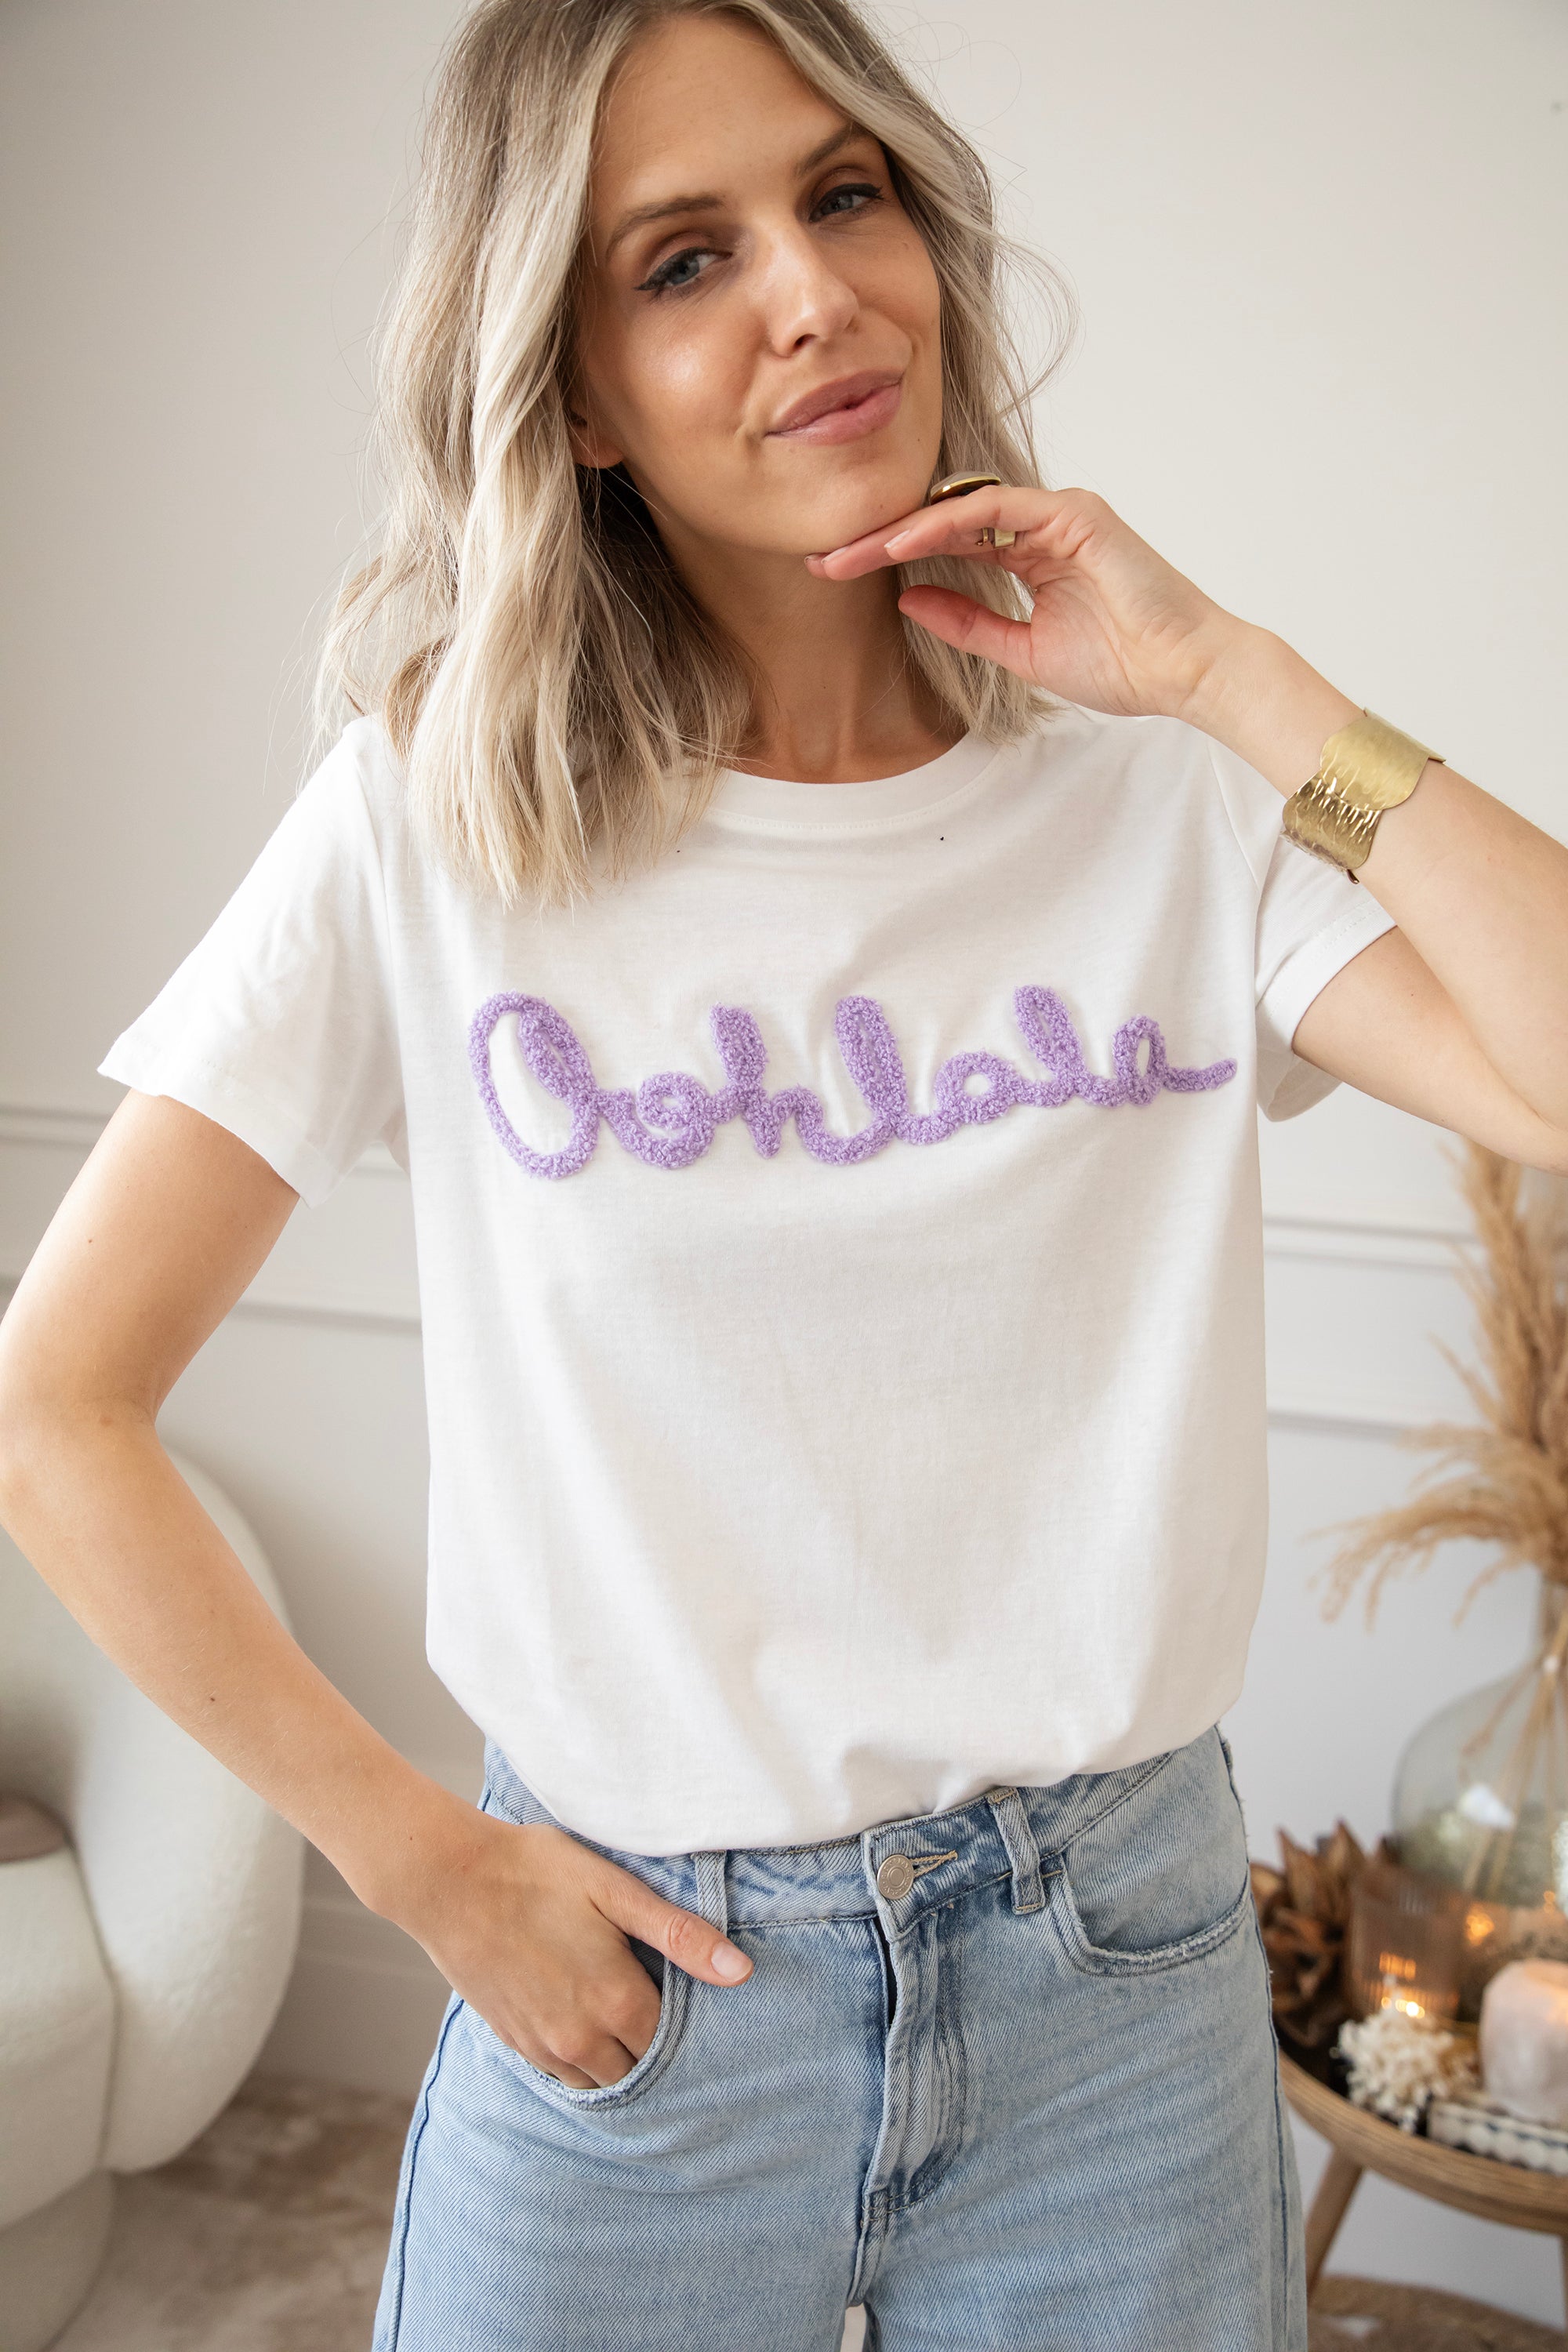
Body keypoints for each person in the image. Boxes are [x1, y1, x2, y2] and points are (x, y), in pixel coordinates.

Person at [3, 0, 1566, 2343]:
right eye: (684, 259)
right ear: (575, 399)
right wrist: (422, 1863)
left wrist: (1235, 678)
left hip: (1118, 1990)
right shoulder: (440, 825)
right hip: (638, 1999)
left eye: (844, 197)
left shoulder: (1159, 805)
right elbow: (59, 1405)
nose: (815, 293)